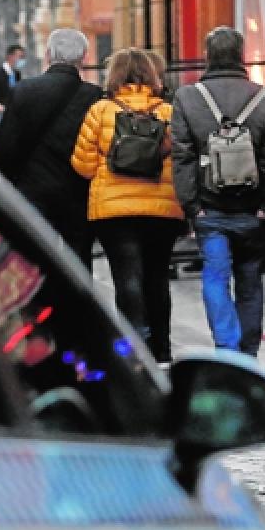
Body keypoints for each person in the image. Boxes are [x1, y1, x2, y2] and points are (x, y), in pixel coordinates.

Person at [171, 26, 265, 357]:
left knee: (215, 276)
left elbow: (183, 158)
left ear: (207, 56)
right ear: (241, 55)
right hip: (252, 210)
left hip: (210, 208)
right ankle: (248, 352)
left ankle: (226, 346)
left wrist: (192, 208)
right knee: (250, 280)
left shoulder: (188, 98)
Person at [71, 49, 183, 365]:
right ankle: (162, 349)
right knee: (158, 277)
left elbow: (82, 165)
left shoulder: (101, 110)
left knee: (126, 277)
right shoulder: (167, 112)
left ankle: (134, 347)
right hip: (161, 209)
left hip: (113, 210)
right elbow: (182, 159)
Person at [0, 29, 102, 269]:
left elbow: (4, 146)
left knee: (36, 260)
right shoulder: (94, 97)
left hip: (34, 193)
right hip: (79, 194)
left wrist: (12, 182)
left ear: (48, 55)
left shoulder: (24, 90)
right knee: (79, 264)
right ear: (84, 57)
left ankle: (43, 304)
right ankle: (76, 305)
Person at [0, 43, 26, 115]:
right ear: (10, 56)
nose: (22, 60)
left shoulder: (17, 74)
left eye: (23, 57)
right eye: (20, 57)